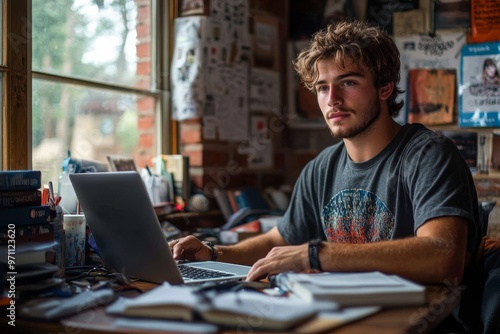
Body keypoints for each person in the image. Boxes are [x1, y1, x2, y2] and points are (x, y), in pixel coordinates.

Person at [170, 20, 481, 331]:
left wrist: (316, 255)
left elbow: (444, 258)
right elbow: (279, 242)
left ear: (385, 87)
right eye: (322, 87)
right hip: (340, 320)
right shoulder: (321, 167)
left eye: (348, 82)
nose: (332, 98)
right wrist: (212, 252)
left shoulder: (429, 155)